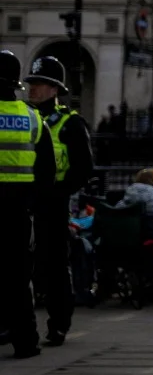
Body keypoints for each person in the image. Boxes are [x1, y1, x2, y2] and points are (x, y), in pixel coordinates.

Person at [25, 55, 92, 348]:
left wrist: (59, 191)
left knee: (54, 266)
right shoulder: (23, 117)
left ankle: (58, 324)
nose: (33, 89)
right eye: (32, 83)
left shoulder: (70, 123)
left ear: (55, 89)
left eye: (40, 84)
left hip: (52, 203)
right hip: (21, 200)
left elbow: (84, 168)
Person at [0, 50, 48, 358]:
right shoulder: (33, 117)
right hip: (18, 208)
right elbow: (45, 172)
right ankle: (26, 341)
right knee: (19, 278)